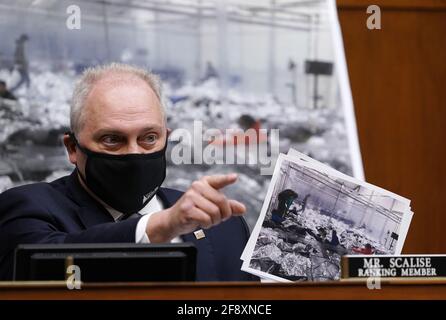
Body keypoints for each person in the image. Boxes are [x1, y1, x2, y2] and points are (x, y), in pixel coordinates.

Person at [0, 63, 256, 281]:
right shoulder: (29, 209)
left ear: (166, 138)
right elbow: (39, 267)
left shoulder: (225, 227)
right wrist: (159, 227)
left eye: (149, 138)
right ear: (73, 148)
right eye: (112, 139)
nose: (134, 153)